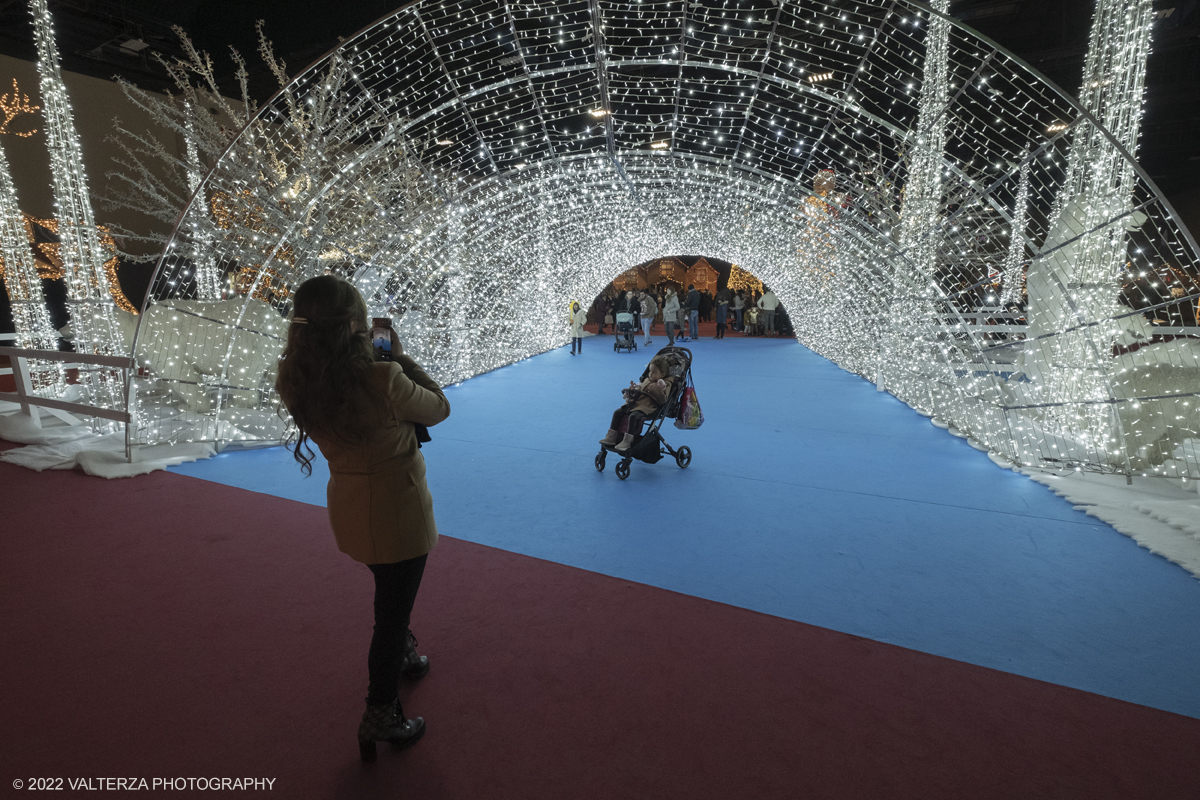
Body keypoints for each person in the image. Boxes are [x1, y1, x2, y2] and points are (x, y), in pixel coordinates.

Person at [275, 275, 450, 762]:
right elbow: (438, 407)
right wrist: (397, 355)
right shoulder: (383, 376)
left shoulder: (296, 377)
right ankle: (381, 712)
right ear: (354, 323)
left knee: (390, 593)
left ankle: (406, 651)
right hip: (398, 512)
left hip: (350, 507)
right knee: (388, 618)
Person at [598, 356, 672, 453]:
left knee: (633, 417)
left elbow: (663, 400)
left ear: (662, 374)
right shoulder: (646, 380)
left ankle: (627, 441)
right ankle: (611, 437)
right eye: (650, 371)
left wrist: (659, 388)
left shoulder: (665, 384)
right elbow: (640, 388)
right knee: (618, 412)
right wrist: (635, 389)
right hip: (636, 403)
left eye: (654, 372)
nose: (650, 374)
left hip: (648, 406)